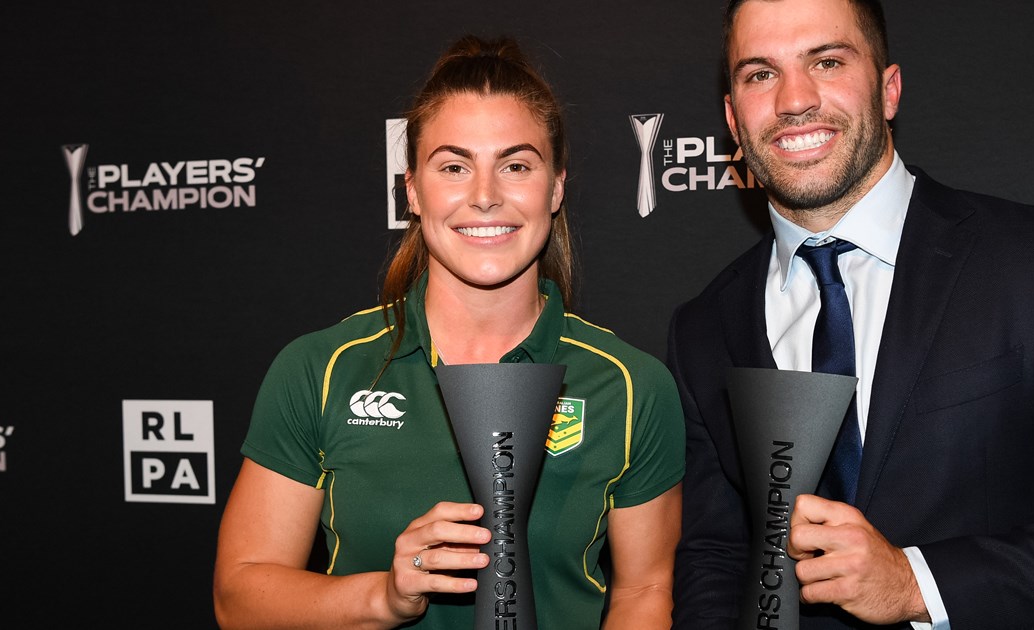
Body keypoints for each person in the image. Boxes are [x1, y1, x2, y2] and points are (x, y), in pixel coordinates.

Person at [667, 1, 1034, 628]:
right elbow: (718, 557)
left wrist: (915, 583)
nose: (795, 99)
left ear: (889, 89)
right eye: (760, 74)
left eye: (826, 61)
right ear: (734, 119)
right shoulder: (703, 327)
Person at [214, 34, 684, 630]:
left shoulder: (631, 384)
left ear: (557, 186)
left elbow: (644, 593)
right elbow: (239, 597)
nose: (485, 197)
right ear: (411, 189)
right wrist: (385, 596)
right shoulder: (321, 370)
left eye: (515, 165)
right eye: (455, 166)